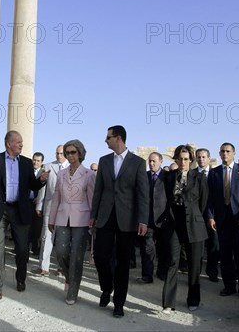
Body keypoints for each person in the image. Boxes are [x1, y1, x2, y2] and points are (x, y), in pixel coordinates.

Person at [0, 131, 49, 303]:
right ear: (8, 144)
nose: (21, 144)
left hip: (20, 210)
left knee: (22, 250)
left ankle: (20, 278)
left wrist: (41, 180)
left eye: (21, 142)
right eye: (18, 142)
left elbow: (32, 184)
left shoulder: (25, 163)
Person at [90, 125, 149, 318]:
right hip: (105, 216)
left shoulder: (138, 163)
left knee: (123, 262)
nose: (105, 140)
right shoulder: (104, 161)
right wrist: (93, 215)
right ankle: (106, 288)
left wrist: (142, 219)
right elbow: (98, 190)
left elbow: (142, 194)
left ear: (118, 138)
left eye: (108, 137)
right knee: (100, 256)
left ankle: (119, 304)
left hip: (128, 219)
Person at [161, 145, 208, 314]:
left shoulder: (199, 177)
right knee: (172, 263)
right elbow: (165, 198)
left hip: (194, 224)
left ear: (191, 160)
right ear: (176, 159)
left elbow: (203, 202)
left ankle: (193, 299)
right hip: (174, 223)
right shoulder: (169, 176)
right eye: (180, 158)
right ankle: (168, 302)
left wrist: (195, 217)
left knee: (194, 265)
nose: (183, 162)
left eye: (186, 159)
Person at [48, 140, 95, 305]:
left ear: (80, 153)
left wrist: (93, 219)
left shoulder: (89, 174)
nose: (70, 155)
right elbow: (56, 198)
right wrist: (51, 218)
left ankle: (72, 291)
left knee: (76, 256)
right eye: (67, 152)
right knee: (60, 251)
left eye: (73, 152)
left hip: (82, 219)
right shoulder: (61, 174)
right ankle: (69, 277)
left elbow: (92, 199)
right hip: (62, 216)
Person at [205, 143, 239, 298]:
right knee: (225, 253)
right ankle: (229, 286)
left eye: (228, 151)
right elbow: (210, 198)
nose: (225, 154)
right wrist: (210, 216)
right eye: (222, 151)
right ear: (219, 154)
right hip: (222, 219)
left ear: (234, 153)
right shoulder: (214, 173)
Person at [32, 145, 69, 276]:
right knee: (46, 237)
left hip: (66, 210)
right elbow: (42, 188)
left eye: (61, 153)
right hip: (49, 207)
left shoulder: (72, 167)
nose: (58, 155)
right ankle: (43, 267)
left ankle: (61, 267)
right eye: (56, 153)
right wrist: (39, 206)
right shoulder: (47, 167)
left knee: (62, 239)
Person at [137, 152, 167, 284]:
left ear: (161, 161)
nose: (151, 163)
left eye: (154, 161)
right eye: (150, 161)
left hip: (163, 219)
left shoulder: (168, 177)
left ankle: (162, 272)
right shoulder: (144, 176)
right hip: (147, 219)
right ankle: (147, 275)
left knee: (163, 248)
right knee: (147, 249)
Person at [196, 148, 219, 282]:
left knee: (214, 245)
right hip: (197, 216)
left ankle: (212, 271)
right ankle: (196, 273)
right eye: (199, 157)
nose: (201, 159)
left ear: (209, 159)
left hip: (213, 216)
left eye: (204, 157)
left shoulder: (216, 174)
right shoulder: (192, 174)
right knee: (197, 247)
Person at [30, 152, 46, 255]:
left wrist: (39, 200)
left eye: (38, 161)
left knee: (37, 228)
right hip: (27, 203)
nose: (35, 162)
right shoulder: (27, 170)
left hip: (38, 204)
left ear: (42, 162)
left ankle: (35, 248)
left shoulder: (44, 172)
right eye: (34, 160)